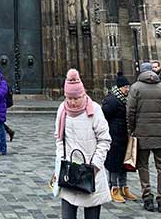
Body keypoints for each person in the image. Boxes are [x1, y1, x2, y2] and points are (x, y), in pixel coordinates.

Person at [53, 68, 111, 219]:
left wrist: (95, 165)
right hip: (69, 171)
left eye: (76, 98)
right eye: (69, 98)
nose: (72, 102)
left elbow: (104, 139)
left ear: (83, 94)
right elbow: (59, 138)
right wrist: (61, 159)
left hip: (91, 172)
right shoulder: (62, 110)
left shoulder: (95, 110)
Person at [127, 62, 161, 214]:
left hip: (142, 134)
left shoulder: (135, 88)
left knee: (143, 166)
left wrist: (132, 129)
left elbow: (130, 112)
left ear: (141, 72)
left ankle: (147, 197)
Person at [101, 74, 137, 203]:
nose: (127, 89)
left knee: (124, 163)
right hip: (114, 136)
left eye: (128, 87)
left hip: (124, 136)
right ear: (119, 87)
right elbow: (103, 117)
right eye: (125, 87)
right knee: (114, 164)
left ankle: (124, 187)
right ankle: (113, 188)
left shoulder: (124, 99)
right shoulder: (112, 100)